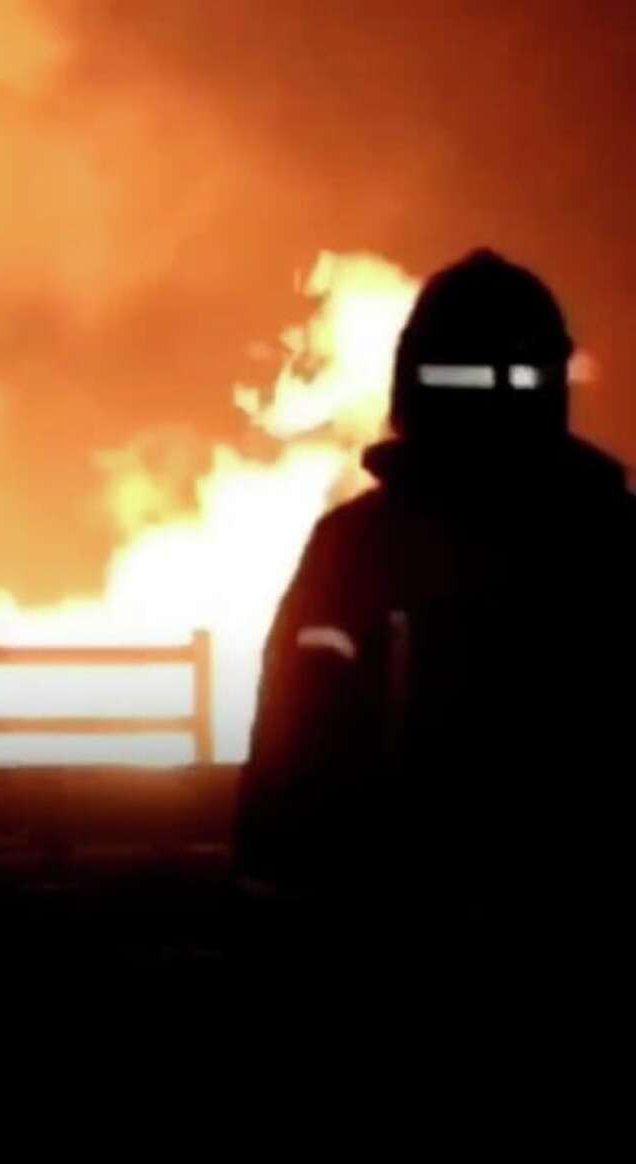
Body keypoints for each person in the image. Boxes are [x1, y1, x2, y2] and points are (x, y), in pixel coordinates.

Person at [237, 249, 636, 908]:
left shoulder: (357, 548)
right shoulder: (615, 538)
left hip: (400, 914)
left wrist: (281, 889)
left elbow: (291, 757)